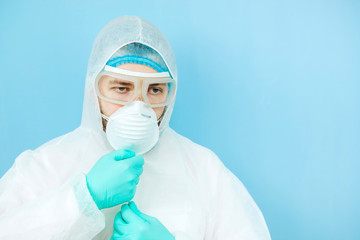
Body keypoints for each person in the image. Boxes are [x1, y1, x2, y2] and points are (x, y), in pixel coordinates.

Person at [0, 16, 271, 239]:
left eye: (154, 90)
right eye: (121, 88)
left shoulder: (203, 170)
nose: (138, 107)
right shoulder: (46, 167)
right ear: (94, 89)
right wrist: (83, 199)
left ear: (169, 94)